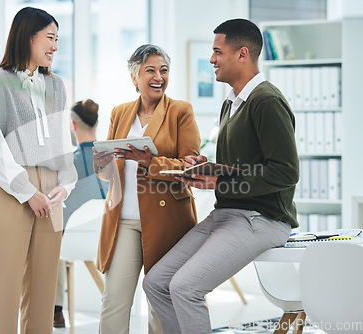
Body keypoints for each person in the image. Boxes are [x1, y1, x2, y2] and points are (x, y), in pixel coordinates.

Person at [142, 18, 299, 334]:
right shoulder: (231, 103)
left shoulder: (266, 101)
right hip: (226, 213)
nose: (211, 59)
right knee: (156, 282)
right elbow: (240, 164)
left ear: (242, 54)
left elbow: (286, 171)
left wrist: (221, 180)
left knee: (185, 287)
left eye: (217, 51)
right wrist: (205, 166)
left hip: (262, 218)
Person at [0, 7, 77, 334]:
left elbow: (64, 143)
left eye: (57, 39)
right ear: (27, 36)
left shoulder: (57, 86)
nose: (55, 46)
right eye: (50, 38)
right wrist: (26, 191)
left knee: (44, 291)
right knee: (4, 289)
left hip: (51, 190)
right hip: (11, 190)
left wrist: (66, 184)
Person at [92, 44, 201, 333]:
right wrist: (101, 164)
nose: (158, 77)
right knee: (114, 299)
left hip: (168, 222)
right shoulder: (120, 112)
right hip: (124, 220)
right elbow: (110, 173)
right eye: (150, 70)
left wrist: (151, 162)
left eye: (164, 70)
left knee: (160, 303)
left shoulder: (180, 111)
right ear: (134, 77)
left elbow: (192, 169)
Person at [53, 99, 108, 328]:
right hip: (106, 238)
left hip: (73, 243)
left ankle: (56, 310)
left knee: (50, 236)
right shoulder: (112, 159)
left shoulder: (67, 165)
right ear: (96, 123)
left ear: (73, 126)